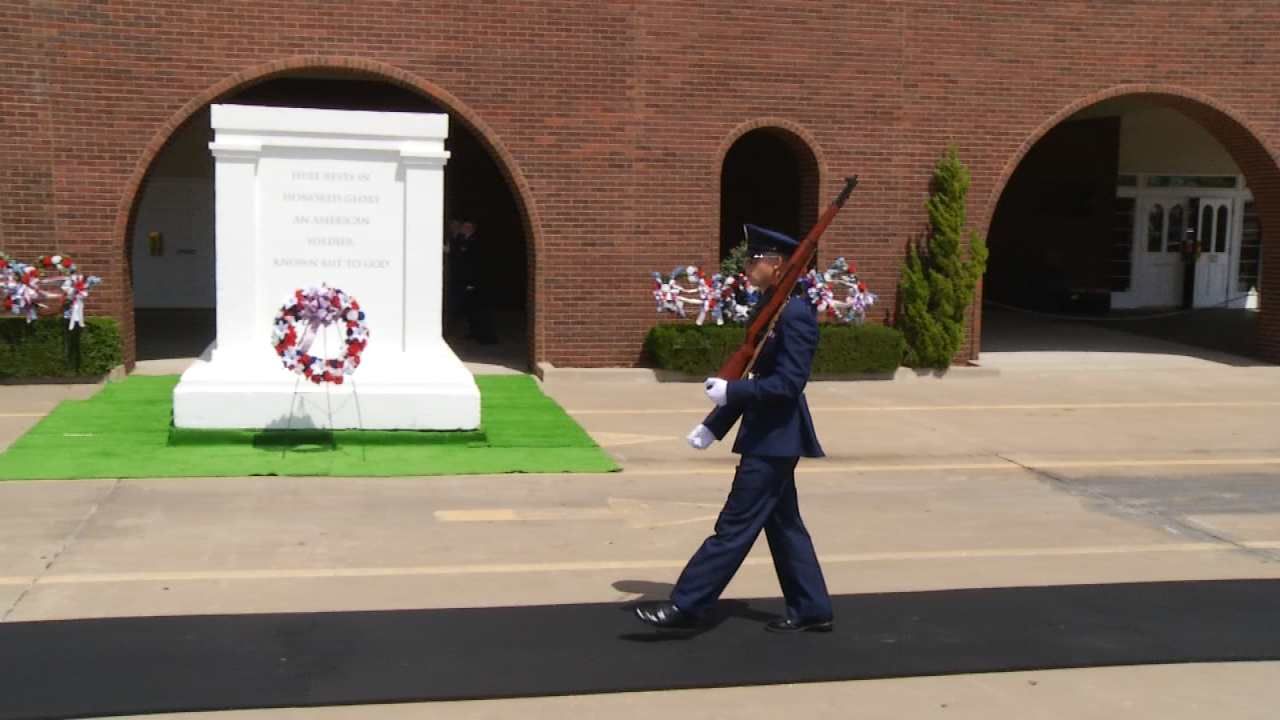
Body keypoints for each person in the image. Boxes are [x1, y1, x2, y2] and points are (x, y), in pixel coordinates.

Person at [634, 223, 833, 634]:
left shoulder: (795, 314)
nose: (746, 266)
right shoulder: (772, 308)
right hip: (768, 436)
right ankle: (811, 607)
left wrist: (732, 391)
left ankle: (686, 604)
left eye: (753, 259)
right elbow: (754, 370)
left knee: (734, 526)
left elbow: (788, 384)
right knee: (784, 526)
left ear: (777, 265)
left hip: (775, 439)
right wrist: (714, 425)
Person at [456, 220, 498, 345]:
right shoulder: (463, 240)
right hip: (468, 281)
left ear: (472, 228)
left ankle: (486, 336)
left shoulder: (476, 242)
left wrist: (472, 282)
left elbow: (475, 264)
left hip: (476, 282)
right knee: (471, 309)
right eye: (463, 226)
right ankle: (474, 332)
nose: (463, 228)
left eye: (466, 226)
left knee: (481, 309)